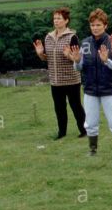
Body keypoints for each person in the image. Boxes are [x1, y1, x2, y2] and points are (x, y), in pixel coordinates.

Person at [67, 8, 112, 158]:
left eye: (98, 25)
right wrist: (76, 61)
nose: (95, 28)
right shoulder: (85, 43)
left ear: (105, 25)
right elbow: (79, 68)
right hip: (90, 90)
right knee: (90, 123)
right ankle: (92, 150)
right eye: (92, 25)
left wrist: (106, 61)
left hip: (110, 89)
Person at [33, 7, 86, 139]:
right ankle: (61, 132)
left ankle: (84, 130)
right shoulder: (48, 37)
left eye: (59, 18)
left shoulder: (72, 37)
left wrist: (69, 55)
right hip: (55, 81)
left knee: (76, 106)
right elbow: (48, 58)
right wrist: (40, 54)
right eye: (54, 18)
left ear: (66, 21)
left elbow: (77, 59)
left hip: (71, 79)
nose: (56, 21)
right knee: (59, 108)